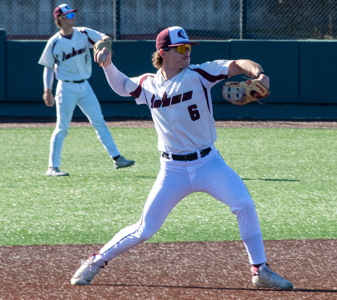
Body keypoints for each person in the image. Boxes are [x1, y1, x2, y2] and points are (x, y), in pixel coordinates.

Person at [69, 26, 293, 290]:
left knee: (244, 204)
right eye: (183, 49)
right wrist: (107, 65)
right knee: (145, 229)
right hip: (172, 170)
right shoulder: (148, 84)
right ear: (163, 53)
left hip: (209, 164)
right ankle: (95, 261)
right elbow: (122, 86)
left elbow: (238, 64)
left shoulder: (199, 74)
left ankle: (260, 270)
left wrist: (260, 75)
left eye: (189, 48)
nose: (188, 53)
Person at [38, 4, 134, 176]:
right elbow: (48, 67)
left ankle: (117, 158)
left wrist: (104, 47)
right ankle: (52, 167)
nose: (73, 17)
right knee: (62, 127)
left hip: (85, 86)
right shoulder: (54, 42)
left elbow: (104, 38)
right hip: (66, 87)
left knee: (99, 122)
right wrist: (47, 90)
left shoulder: (83, 33)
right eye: (68, 15)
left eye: (72, 14)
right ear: (60, 19)